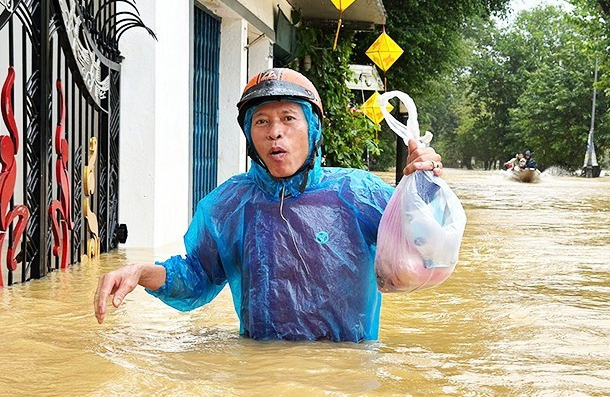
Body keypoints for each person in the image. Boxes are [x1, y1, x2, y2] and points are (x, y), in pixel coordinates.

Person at [93, 68, 443, 342]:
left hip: (344, 373)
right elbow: (196, 277)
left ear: (313, 129)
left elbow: (423, 254)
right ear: (250, 135)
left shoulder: (357, 192)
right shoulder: (228, 205)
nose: (275, 132)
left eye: (289, 118)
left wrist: (422, 187)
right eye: (262, 121)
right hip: (261, 372)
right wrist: (140, 272)